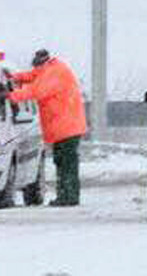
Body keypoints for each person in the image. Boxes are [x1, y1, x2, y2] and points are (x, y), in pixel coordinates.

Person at [7, 49, 87, 206]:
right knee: (64, 163)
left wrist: (10, 95)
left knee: (66, 165)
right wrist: (14, 77)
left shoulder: (55, 73)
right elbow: (33, 76)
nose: (35, 69)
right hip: (65, 127)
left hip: (67, 127)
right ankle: (68, 195)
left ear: (41, 62)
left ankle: (68, 197)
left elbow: (37, 90)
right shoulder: (50, 69)